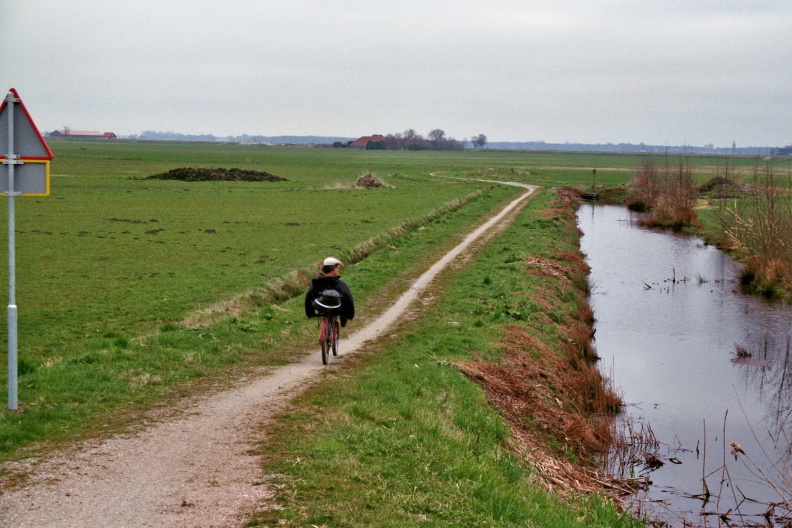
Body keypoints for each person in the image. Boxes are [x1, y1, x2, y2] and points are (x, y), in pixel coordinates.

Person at [304, 257, 355, 327]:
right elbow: (349, 299)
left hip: (320, 307)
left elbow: (309, 295)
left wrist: (310, 314)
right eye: (337, 268)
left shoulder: (317, 283)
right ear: (334, 268)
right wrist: (350, 315)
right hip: (337, 309)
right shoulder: (340, 284)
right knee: (345, 297)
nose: (338, 270)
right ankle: (343, 321)